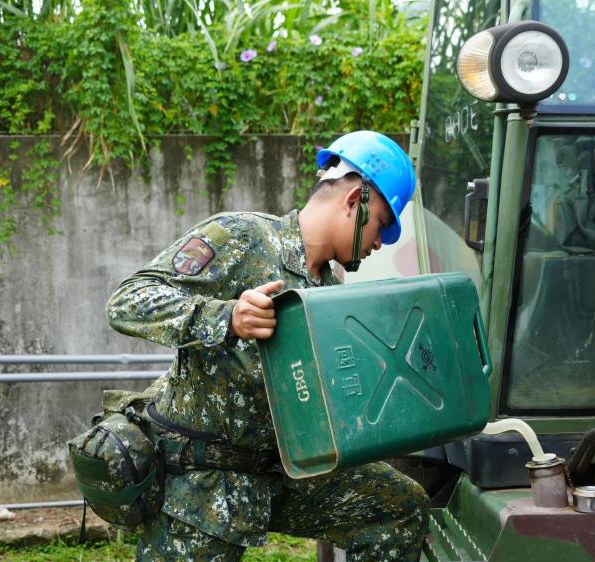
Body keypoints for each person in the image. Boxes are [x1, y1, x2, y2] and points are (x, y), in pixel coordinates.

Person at [106, 130, 430, 561]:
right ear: (354, 201)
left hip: (277, 474)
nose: (377, 244)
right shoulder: (242, 236)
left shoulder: (329, 293)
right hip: (201, 484)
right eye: (381, 227)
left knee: (398, 506)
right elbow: (127, 301)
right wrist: (225, 317)